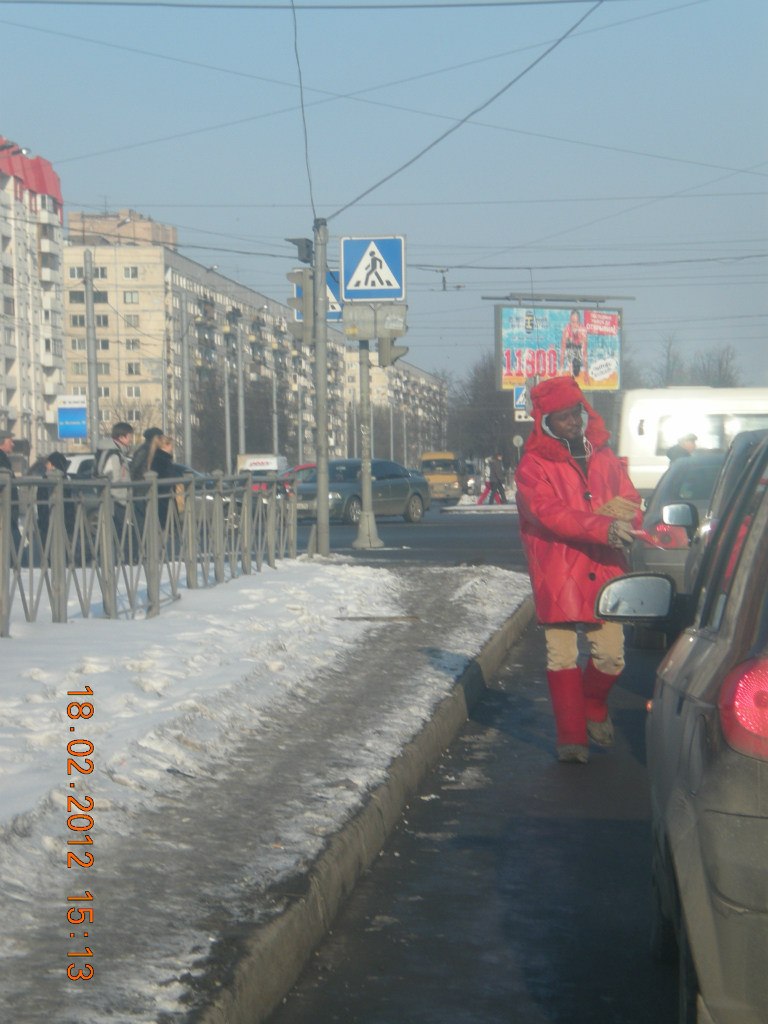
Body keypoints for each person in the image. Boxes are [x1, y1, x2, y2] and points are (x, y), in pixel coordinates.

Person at [514, 375, 643, 764]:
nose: (572, 421)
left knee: (611, 657)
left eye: (575, 413)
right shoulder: (532, 465)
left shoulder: (603, 453)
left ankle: (592, 704)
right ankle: (571, 739)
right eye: (561, 417)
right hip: (559, 570)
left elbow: (631, 495)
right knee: (562, 656)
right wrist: (604, 526)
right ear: (545, 422)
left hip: (605, 566)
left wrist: (628, 513)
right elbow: (549, 514)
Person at [96, 421, 134, 552]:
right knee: (118, 534)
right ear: (122, 437)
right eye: (130, 436)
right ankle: (119, 560)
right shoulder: (114, 455)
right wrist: (122, 497)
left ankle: (119, 559)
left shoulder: (118, 453)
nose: (131, 440)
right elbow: (112, 479)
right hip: (116, 501)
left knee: (119, 534)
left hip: (117, 499)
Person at [36, 451, 76, 555]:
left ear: (54, 465)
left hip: (50, 522)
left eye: (48, 463)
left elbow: (42, 505)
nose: (46, 465)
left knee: (51, 551)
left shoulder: (46, 480)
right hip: (63, 523)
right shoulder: (65, 479)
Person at [0, 428, 21, 555]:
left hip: (8, 508)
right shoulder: (2, 460)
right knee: (12, 546)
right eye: (10, 441)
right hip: (5, 509)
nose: (13, 444)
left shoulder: (4, 458)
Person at [560, 309, 588, 381]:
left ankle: (575, 371)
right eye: (572, 322)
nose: (574, 325)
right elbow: (563, 350)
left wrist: (586, 373)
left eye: (576, 322)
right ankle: (571, 372)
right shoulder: (567, 330)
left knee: (576, 372)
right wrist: (561, 369)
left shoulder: (582, 331)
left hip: (578, 346)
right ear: (570, 321)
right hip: (570, 345)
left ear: (579, 322)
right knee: (568, 347)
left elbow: (584, 353)